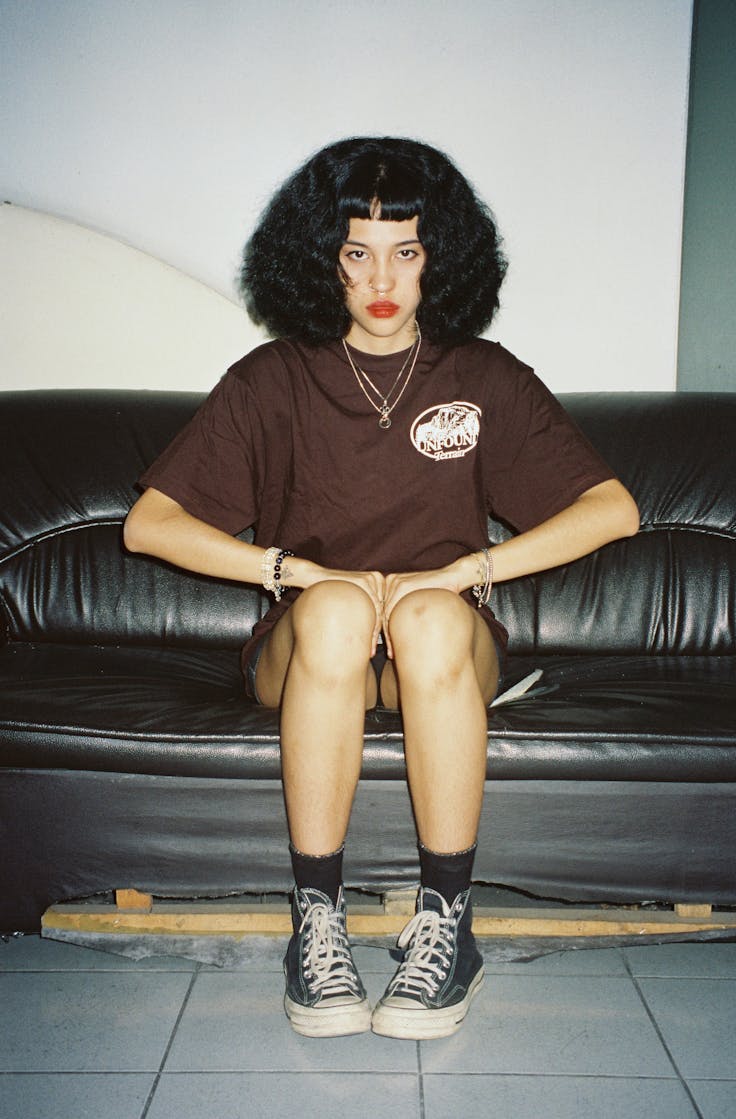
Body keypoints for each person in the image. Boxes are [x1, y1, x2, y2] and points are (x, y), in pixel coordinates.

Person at [124, 136, 639, 1041]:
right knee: (336, 610)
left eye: (405, 250)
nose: (381, 278)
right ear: (321, 262)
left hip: (434, 654)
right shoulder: (272, 379)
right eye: (355, 252)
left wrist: (467, 569)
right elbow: (149, 525)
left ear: (441, 256)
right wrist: (290, 571)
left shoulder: (483, 376)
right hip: (312, 651)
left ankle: (447, 925)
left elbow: (612, 509)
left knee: (434, 619)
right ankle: (316, 923)